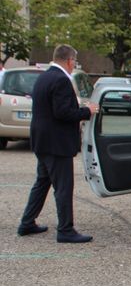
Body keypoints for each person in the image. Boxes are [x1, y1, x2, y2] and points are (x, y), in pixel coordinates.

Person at [17, 44, 99, 243]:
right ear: (70, 61)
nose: (74, 65)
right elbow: (62, 113)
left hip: (42, 141)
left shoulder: (44, 77)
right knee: (63, 187)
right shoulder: (61, 80)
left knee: (42, 182)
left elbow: (54, 108)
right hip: (56, 143)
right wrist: (87, 111)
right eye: (74, 62)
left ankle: (27, 223)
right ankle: (65, 230)